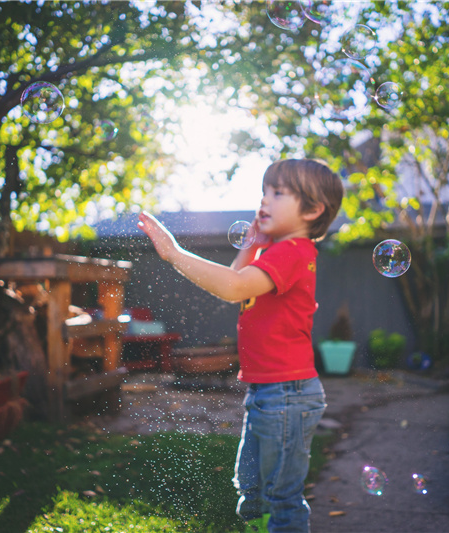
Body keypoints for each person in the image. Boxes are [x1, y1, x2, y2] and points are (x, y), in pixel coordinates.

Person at [137, 159, 344, 533]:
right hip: (272, 392)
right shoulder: (278, 252)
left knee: (281, 498)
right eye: (264, 191)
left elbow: (231, 287)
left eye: (278, 193)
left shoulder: (292, 251)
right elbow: (237, 280)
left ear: (313, 210)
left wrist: (174, 253)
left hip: (286, 395)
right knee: (253, 490)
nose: (264, 200)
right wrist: (252, 245)